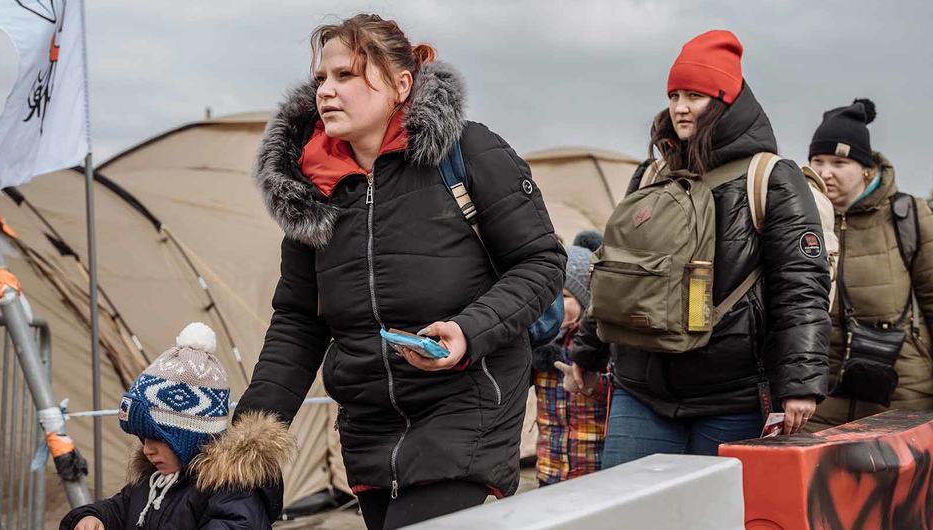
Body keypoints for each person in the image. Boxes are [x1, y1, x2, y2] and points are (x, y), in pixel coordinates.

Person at [234, 13, 565, 530]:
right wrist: (250, 433)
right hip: (369, 428)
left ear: (401, 83)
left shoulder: (468, 153)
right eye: (322, 77)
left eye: (346, 75)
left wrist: (466, 331)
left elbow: (542, 263)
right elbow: (299, 321)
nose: (327, 90)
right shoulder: (311, 189)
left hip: (466, 409)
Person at [569, 30, 831, 467]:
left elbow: (801, 286)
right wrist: (588, 351)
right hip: (641, 388)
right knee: (630, 513)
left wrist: (801, 383)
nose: (680, 107)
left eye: (695, 95)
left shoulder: (771, 178)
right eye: (674, 95)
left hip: (733, 395)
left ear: (725, 99)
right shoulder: (652, 174)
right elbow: (616, 270)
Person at [805, 98, 933, 430]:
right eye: (817, 160)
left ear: (866, 168)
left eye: (838, 162)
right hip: (822, 398)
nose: (825, 172)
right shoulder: (801, 219)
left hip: (902, 395)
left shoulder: (908, 217)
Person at [61, 323, 293, 530]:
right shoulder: (152, 482)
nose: (146, 450)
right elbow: (119, 508)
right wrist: (94, 517)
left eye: (157, 438)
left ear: (190, 437)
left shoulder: (233, 492)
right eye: (143, 439)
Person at [531, 245, 609, 485]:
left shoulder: (598, 345)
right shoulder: (539, 345)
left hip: (592, 469)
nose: (554, 305)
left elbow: (617, 393)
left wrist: (593, 386)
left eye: (564, 297)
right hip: (549, 469)